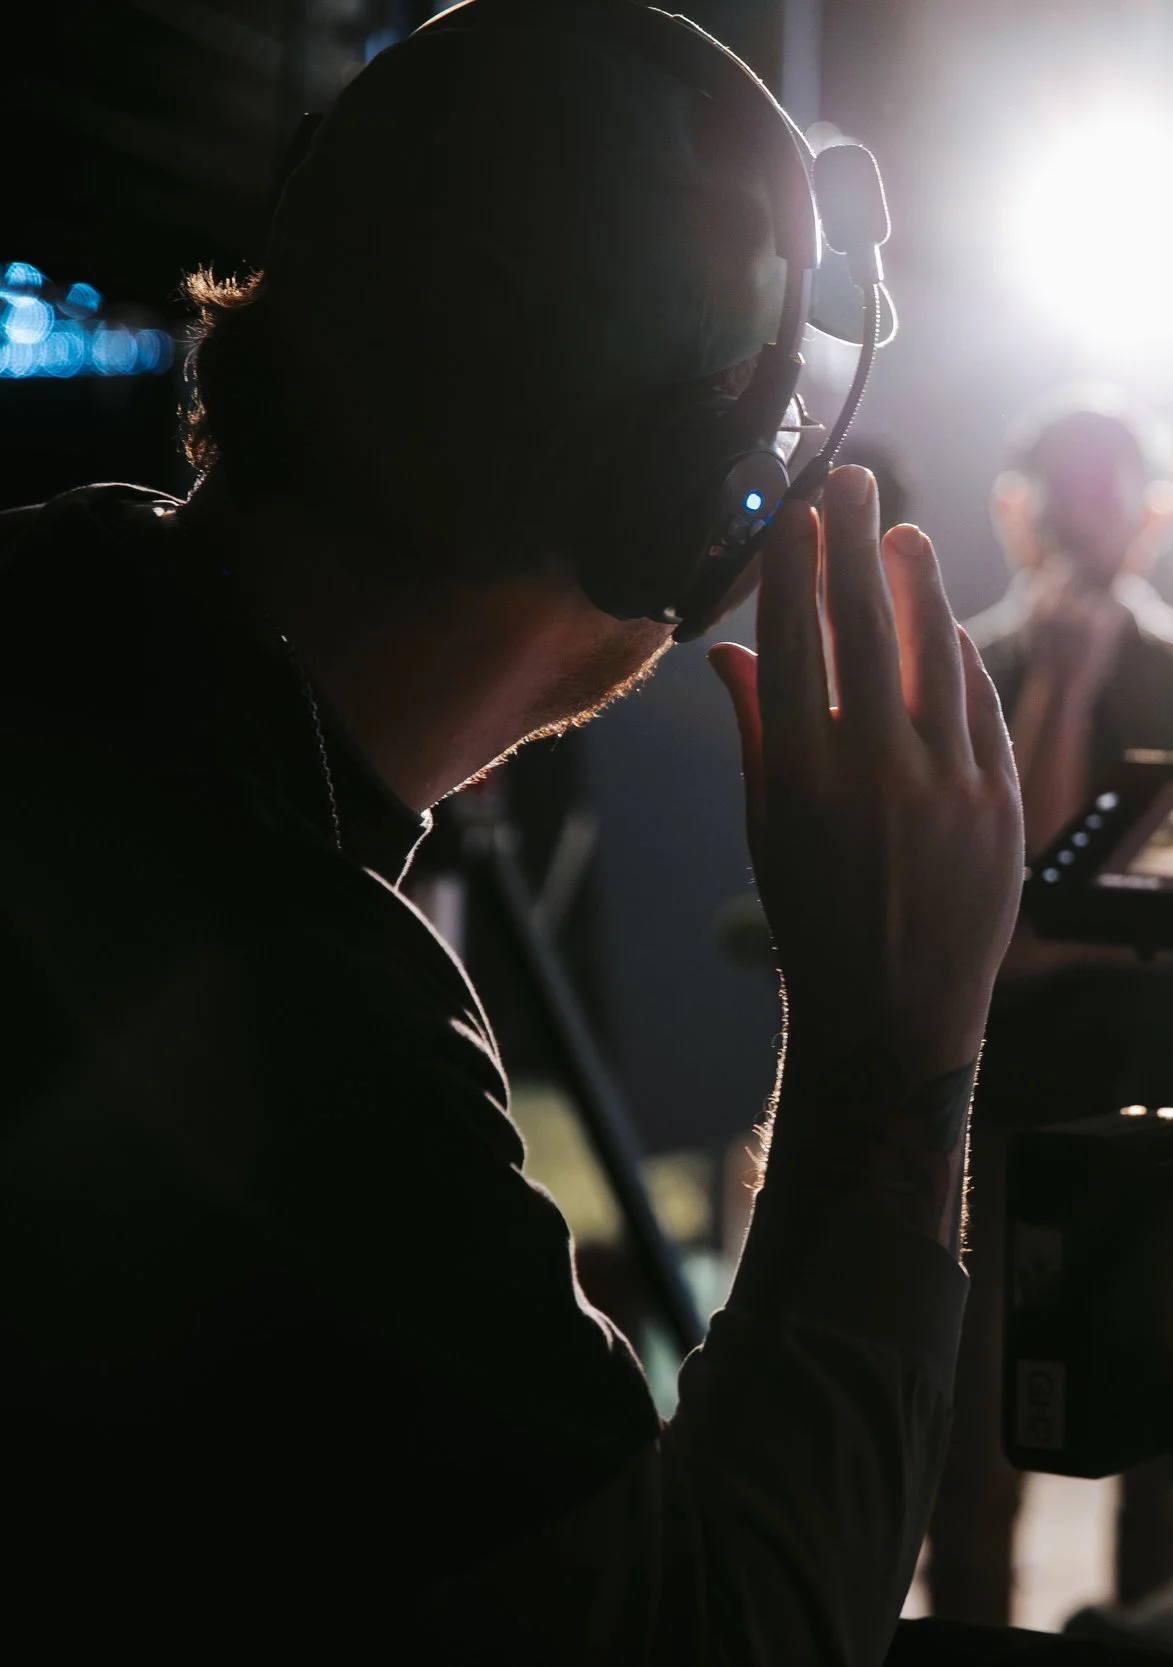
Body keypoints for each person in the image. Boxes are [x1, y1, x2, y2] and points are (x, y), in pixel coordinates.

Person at [0, 4, 1030, 1658]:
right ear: (683, 506)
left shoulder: (65, 635)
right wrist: (890, 1048)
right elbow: (725, 1637)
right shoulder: (297, 1016)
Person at [930, 392, 1173, 1624]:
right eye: (1063, 495)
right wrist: (1061, 694)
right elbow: (993, 910)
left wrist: (1052, 935)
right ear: (1013, 512)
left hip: (1168, 1105)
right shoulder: (969, 668)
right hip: (996, 1120)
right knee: (970, 1458)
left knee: (1170, 1445)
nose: (1087, 521)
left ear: (1153, 515)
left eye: (1110, 494)